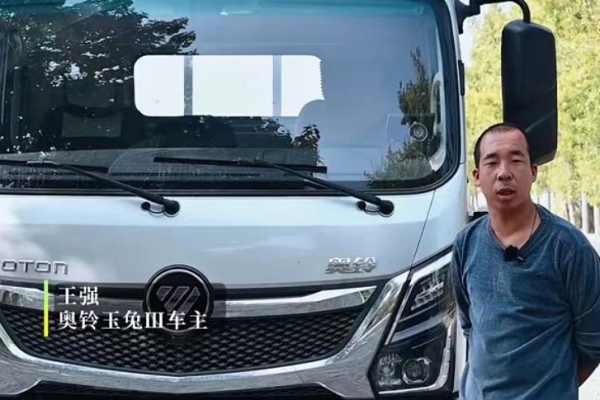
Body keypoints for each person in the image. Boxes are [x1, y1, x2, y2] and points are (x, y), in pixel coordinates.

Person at [451, 122, 600, 399]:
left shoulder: (568, 248)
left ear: (533, 172)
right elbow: (470, 325)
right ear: (477, 176)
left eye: (516, 160)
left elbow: (594, 342)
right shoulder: (466, 244)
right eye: (492, 162)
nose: (504, 173)